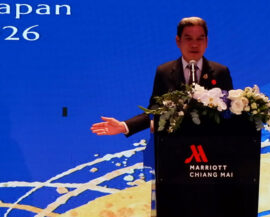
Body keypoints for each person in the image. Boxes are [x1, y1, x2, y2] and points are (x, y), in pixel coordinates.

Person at [90, 16, 233, 136]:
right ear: (178, 41)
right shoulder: (164, 71)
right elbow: (155, 110)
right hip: (175, 147)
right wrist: (124, 126)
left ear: (206, 42)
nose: (194, 44)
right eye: (188, 38)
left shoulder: (220, 71)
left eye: (199, 39)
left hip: (213, 147)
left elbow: (230, 113)